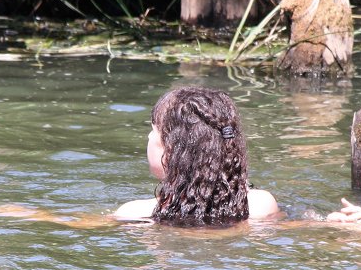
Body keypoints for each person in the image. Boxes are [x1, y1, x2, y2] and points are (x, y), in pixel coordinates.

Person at [113, 86, 280, 225]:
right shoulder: (260, 205)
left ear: (174, 151)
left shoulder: (136, 214)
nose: (149, 136)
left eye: (153, 130)